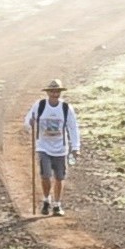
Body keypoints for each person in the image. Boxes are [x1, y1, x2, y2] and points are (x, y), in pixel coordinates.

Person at [27, 79, 82, 216]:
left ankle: (57, 204)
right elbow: (28, 121)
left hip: (60, 148)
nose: (54, 93)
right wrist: (30, 123)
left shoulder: (66, 108)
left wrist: (75, 147)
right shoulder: (39, 105)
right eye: (52, 91)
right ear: (48, 92)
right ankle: (46, 200)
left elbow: (72, 127)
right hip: (43, 147)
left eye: (57, 91)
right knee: (45, 175)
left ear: (60, 92)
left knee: (59, 177)